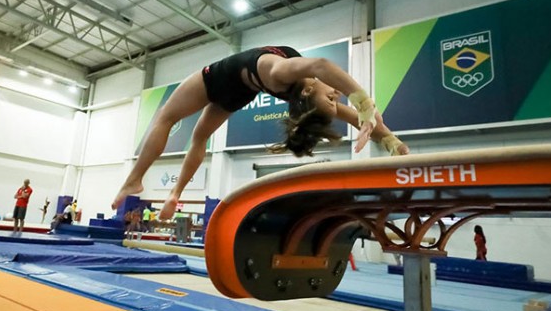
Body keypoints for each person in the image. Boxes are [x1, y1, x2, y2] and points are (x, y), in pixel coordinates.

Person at [111, 46, 409, 219]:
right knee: (196, 135)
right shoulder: (291, 78)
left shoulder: (290, 79)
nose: (337, 97)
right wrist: (380, 125)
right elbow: (352, 109)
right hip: (234, 89)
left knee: (166, 118)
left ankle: (136, 181)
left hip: (223, 81)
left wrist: (380, 126)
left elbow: (331, 81)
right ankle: (171, 192)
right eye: (334, 99)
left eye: (332, 98)